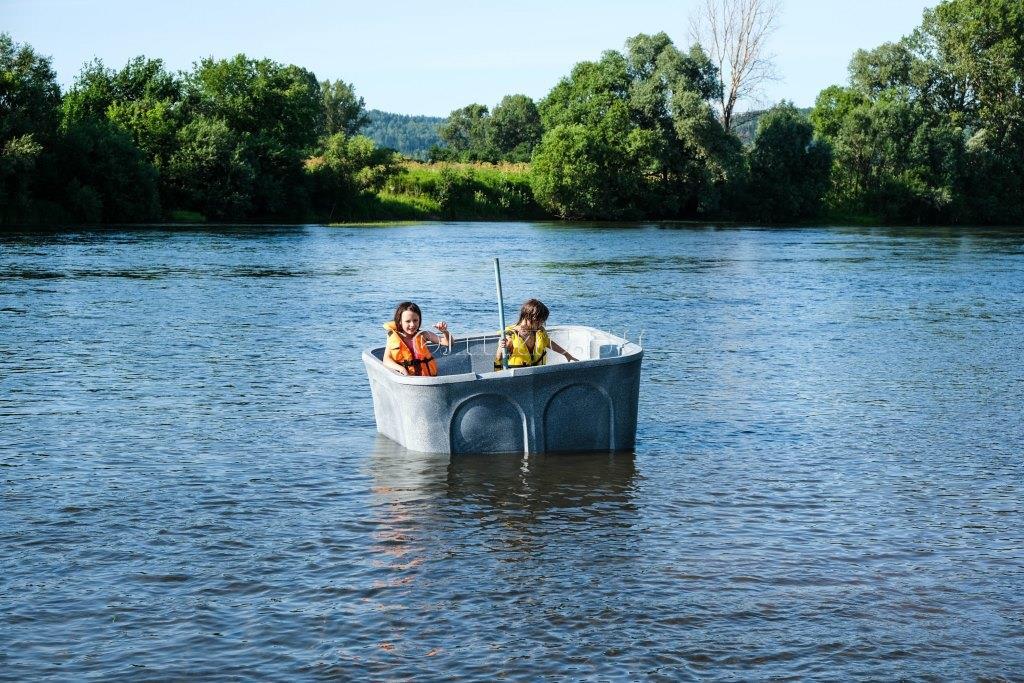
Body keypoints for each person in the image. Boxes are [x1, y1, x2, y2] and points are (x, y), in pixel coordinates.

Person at [494, 298, 577, 370]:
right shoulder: (510, 335)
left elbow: (549, 343)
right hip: (518, 375)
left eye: (543, 321)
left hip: (537, 373)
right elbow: (499, 358)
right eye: (539, 321)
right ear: (527, 317)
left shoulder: (538, 331)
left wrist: (566, 354)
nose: (541, 324)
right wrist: (501, 347)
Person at [383, 301, 452, 376]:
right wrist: (402, 369)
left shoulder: (424, 335)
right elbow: (386, 360)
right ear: (400, 321)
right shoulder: (394, 336)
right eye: (408, 321)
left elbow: (448, 343)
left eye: (415, 320)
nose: (412, 324)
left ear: (419, 320)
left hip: (427, 379)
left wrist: (445, 332)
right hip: (406, 379)